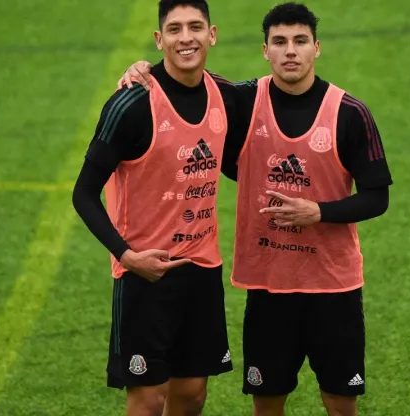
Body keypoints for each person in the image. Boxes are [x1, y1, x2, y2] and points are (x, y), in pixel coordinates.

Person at [117, 2, 393, 415]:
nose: (290, 52)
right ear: (265, 50)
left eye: (300, 41)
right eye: (279, 42)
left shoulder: (350, 114)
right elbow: (186, 78)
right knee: (266, 404)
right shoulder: (241, 102)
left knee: (340, 403)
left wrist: (318, 212)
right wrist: (142, 70)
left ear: (317, 47)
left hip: (334, 288)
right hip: (268, 287)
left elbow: (377, 197)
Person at [71, 1, 247, 415]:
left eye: (195, 27)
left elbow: (279, 95)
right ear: (159, 39)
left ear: (212, 34)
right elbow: (83, 193)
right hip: (144, 274)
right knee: (149, 398)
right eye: (175, 29)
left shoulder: (226, 95)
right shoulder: (131, 104)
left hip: (202, 268)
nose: (186, 38)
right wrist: (128, 257)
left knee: (191, 393)